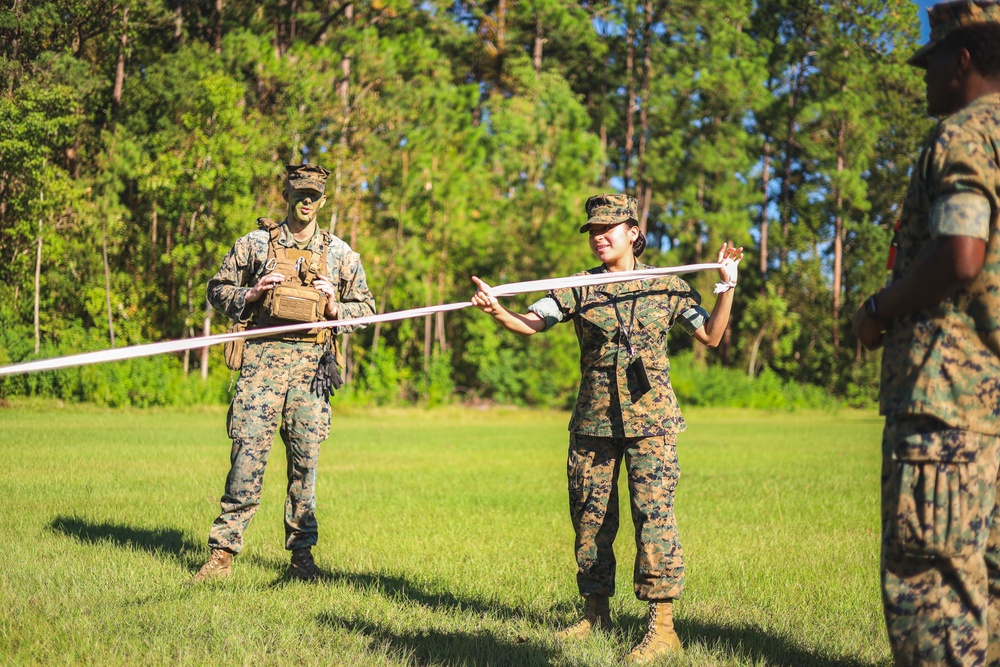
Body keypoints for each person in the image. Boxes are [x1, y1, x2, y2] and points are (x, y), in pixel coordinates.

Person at [470, 193, 742, 665]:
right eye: (592, 230)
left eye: (608, 229)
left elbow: (712, 336)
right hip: (594, 421)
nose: (599, 237)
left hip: (652, 422)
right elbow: (533, 323)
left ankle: (662, 628)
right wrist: (497, 310)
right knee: (591, 517)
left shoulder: (667, 285)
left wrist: (727, 286)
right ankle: (595, 613)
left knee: (654, 517)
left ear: (634, 232)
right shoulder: (576, 286)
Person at [850, 2, 1000, 664]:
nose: (925, 77)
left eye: (932, 61)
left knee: (935, 603)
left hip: (948, 408)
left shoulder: (964, 133)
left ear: (962, 60)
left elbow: (961, 252)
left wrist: (879, 308)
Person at [192, 163, 375, 582]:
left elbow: (365, 311)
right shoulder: (255, 244)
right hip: (260, 364)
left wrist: (334, 308)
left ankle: (302, 559)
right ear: (287, 196)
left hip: (311, 372)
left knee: (304, 465)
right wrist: (251, 293)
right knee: (246, 460)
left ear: (323, 200)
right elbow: (216, 289)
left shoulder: (340, 254)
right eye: (300, 194)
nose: (306, 201)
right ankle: (221, 555)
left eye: (314, 195)